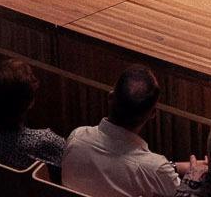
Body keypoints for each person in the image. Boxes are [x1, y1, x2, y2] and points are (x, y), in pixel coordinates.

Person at [62, 66, 186, 197]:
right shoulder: (155, 170)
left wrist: (171, 168)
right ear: (152, 114)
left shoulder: (76, 139)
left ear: (110, 97)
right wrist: (193, 177)